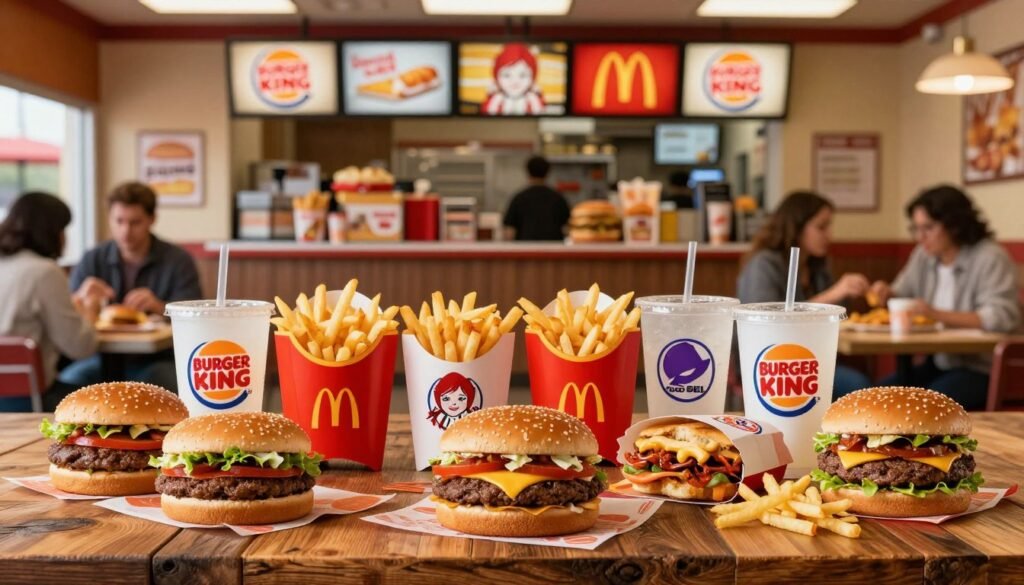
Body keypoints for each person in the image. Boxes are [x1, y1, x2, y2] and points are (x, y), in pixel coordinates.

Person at [867, 185, 1020, 409]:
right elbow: (901, 292)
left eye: (928, 227)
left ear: (954, 224)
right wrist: (885, 292)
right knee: (875, 398)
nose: (921, 237)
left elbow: (1001, 317)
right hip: (939, 362)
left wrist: (934, 313)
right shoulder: (924, 255)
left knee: (920, 407)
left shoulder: (990, 257)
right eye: (916, 228)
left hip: (983, 368)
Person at [60, 182, 202, 390]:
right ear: (110, 219)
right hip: (100, 358)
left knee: (168, 382)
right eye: (119, 221)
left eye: (135, 223)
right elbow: (68, 317)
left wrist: (159, 306)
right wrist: (80, 297)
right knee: (69, 382)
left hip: (157, 359)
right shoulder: (93, 259)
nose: (125, 231)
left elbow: (196, 317)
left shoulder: (178, 260)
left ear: (152, 220)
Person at [736, 191, 872, 397]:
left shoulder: (816, 266)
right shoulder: (764, 265)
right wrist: (834, 293)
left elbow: (835, 320)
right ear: (796, 227)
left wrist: (848, 294)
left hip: (809, 361)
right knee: (858, 384)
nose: (829, 234)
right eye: (821, 227)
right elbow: (764, 321)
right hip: (771, 365)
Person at [0, 192, 97, 411]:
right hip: (28, 402)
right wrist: (90, 314)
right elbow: (80, 347)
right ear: (51, 232)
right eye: (63, 229)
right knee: (106, 395)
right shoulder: (44, 272)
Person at [503, 156, 571, 241]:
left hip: (526, 249)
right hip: (553, 249)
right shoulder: (558, 198)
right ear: (547, 172)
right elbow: (567, 229)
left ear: (528, 172)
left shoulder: (519, 198)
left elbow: (509, 231)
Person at [481, 43, 545, 116]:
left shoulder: (533, 100)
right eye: (507, 75)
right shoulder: (495, 100)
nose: (515, 82)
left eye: (523, 75)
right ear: (497, 78)